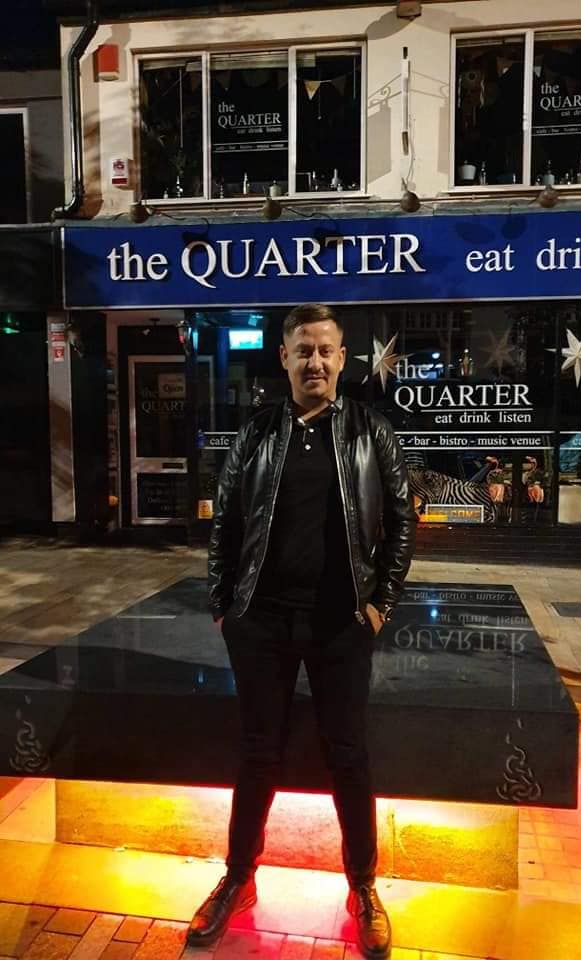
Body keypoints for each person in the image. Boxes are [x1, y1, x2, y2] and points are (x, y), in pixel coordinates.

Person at [188, 303, 416, 958]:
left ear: (342, 359)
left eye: (325, 350)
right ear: (284, 357)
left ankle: (363, 886)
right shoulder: (258, 432)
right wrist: (224, 605)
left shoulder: (372, 431)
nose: (314, 361)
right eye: (303, 349)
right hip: (261, 622)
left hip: (341, 623)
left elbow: (402, 521)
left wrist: (381, 602)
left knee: (349, 754)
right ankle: (238, 878)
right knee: (257, 752)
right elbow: (226, 522)